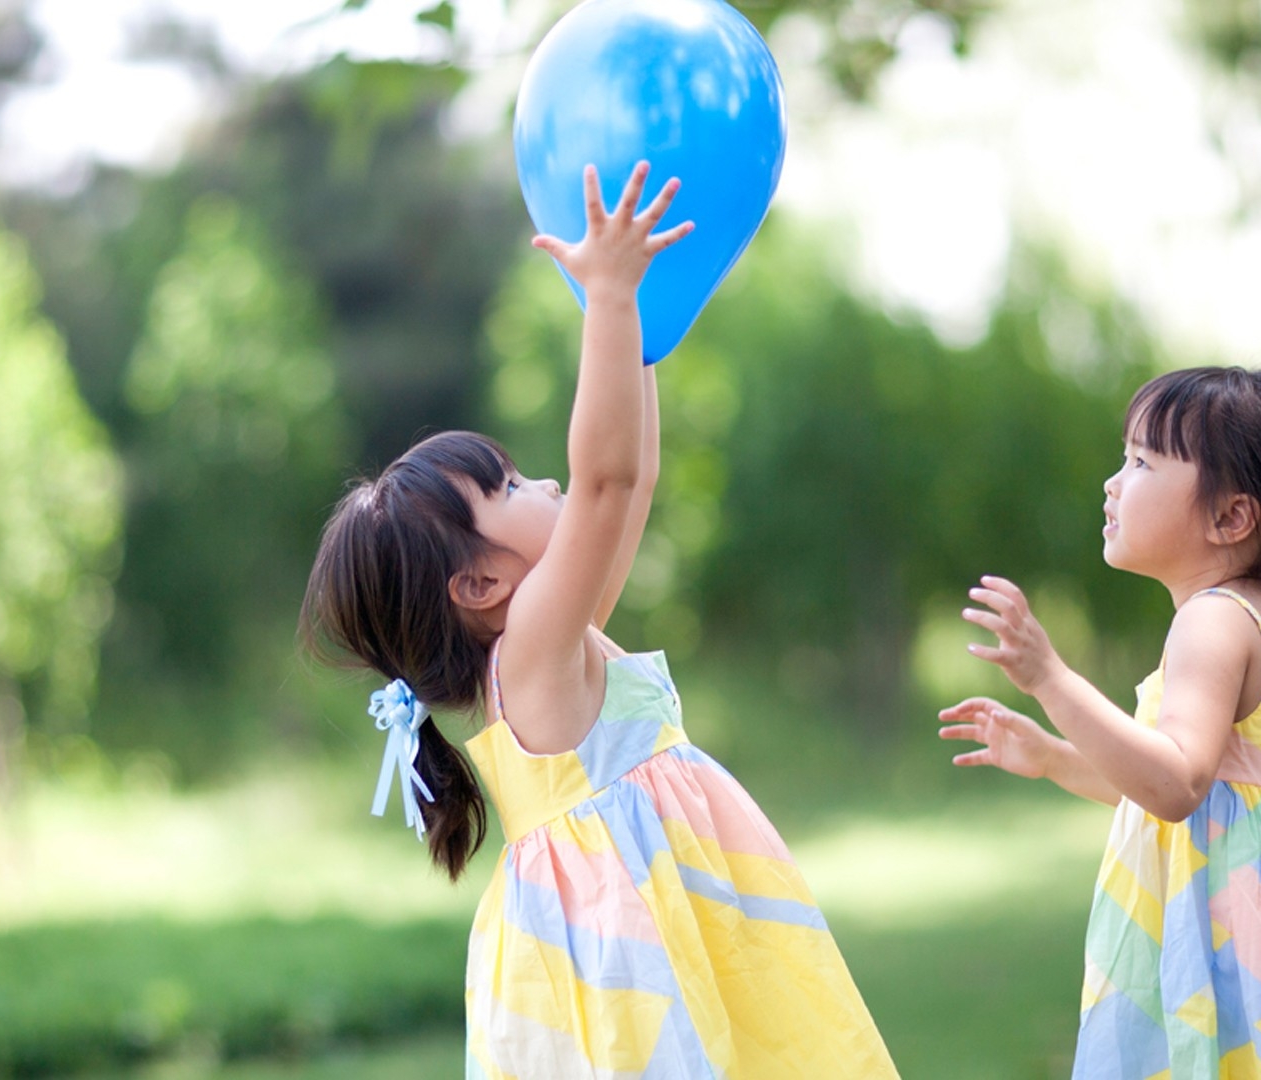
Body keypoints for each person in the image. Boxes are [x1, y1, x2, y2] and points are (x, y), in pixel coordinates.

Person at [304, 162, 896, 1079]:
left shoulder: (555, 643)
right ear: (475, 585)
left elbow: (632, 485)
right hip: (634, 954)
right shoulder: (534, 649)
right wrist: (609, 301)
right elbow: (605, 482)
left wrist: (641, 334)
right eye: (507, 488)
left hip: (659, 921)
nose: (542, 483)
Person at [938, 366, 1261, 1078]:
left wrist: (1050, 679)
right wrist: (1053, 757)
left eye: (1142, 462)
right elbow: (1200, 790)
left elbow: (1178, 783)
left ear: (1231, 518)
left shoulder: (1214, 623)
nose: (1112, 483)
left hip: (1236, 957)